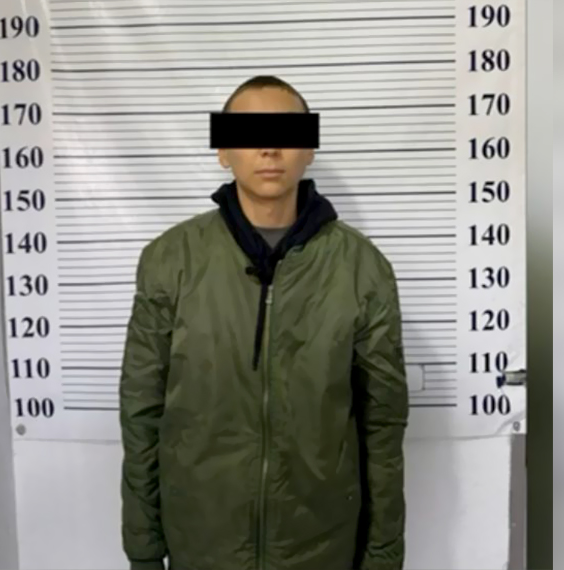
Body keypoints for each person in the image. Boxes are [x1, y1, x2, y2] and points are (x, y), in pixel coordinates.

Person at [119, 75, 408, 570]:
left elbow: (383, 422)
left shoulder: (363, 269)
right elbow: (141, 410)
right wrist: (144, 549)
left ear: (309, 148)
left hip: (321, 545)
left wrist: (383, 554)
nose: (270, 148)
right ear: (223, 151)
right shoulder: (170, 261)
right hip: (201, 542)